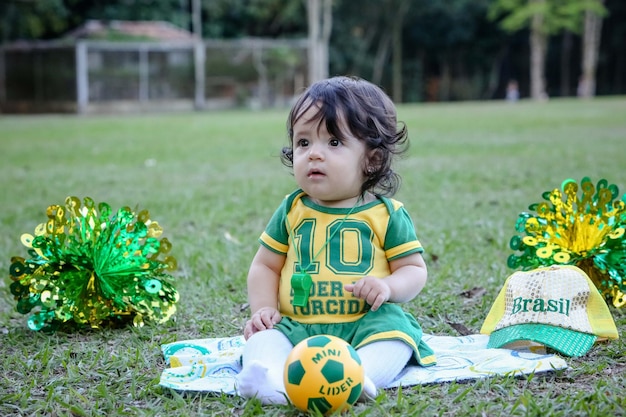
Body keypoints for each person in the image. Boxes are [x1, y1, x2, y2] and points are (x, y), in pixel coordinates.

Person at [236, 76, 436, 404]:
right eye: (303, 143)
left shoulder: (387, 214)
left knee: (396, 339)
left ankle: (360, 377)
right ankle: (270, 385)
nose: (314, 155)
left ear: (371, 159)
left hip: (366, 322)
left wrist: (388, 288)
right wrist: (264, 310)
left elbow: (414, 270)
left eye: (333, 143)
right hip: (298, 324)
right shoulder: (292, 209)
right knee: (262, 340)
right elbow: (265, 266)